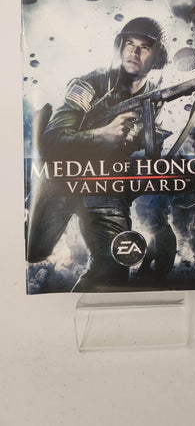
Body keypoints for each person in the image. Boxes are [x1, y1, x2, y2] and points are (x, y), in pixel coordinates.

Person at [26, 17, 168, 292]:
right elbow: (52, 141)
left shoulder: (155, 98)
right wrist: (101, 135)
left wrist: (146, 143)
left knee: (114, 268)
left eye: (144, 47)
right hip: (63, 180)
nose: (134, 52)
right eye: (129, 44)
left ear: (158, 57)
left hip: (105, 187)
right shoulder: (90, 84)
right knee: (34, 250)